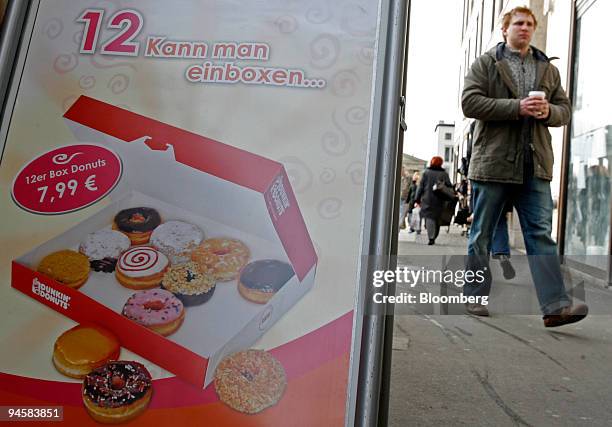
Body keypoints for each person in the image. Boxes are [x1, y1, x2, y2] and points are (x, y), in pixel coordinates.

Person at [461, 6, 587, 326]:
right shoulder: (487, 63)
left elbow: (565, 110)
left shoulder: (547, 68)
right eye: (518, 23)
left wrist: (548, 113)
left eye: (530, 23)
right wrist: (517, 107)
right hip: (493, 163)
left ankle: (555, 306)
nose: (525, 28)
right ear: (505, 29)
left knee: (541, 235)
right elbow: (469, 102)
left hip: (534, 164)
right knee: (482, 235)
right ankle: (474, 296)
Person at [414, 156, 452, 245]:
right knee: (437, 218)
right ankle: (434, 235)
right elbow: (449, 186)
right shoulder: (444, 174)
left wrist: (417, 198)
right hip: (440, 199)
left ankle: (431, 237)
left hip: (427, 198)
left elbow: (420, 187)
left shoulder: (426, 173)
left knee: (429, 217)